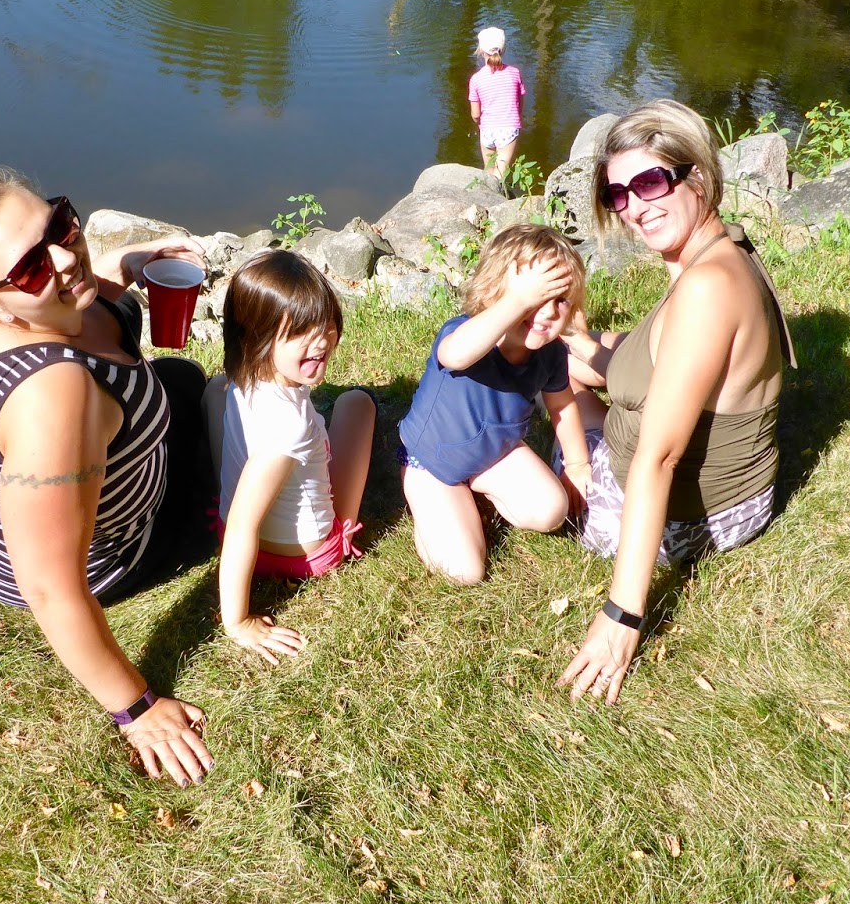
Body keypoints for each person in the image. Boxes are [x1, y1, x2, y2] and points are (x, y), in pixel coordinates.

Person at [0, 168, 216, 787]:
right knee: (227, 448)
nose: (65, 258)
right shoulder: (53, 395)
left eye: (60, 226)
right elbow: (49, 587)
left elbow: (74, 282)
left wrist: (127, 263)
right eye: (30, 268)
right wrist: (137, 710)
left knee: (181, 382)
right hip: (84, 559)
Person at [553, 99, 796, 707]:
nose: (634, 207)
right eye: (618, 194)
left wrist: (622, 615)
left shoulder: (707, 287)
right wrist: (587, 346)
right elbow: (665, 357)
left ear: (699, 176)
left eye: (650, 182)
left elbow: (657, 458)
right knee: (566, 357)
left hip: (688, 517)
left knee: (541, 379)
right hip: (732, 491)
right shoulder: (720, 251)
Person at [205, 251, 376, 665]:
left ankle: (226, 482)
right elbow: (244, 525)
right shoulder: (289, 426)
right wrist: (238, 621)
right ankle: (339, 534)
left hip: (226, 526)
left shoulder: (241, 376)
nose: (322, 341)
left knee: (213, 390)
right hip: (304, 555)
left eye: (327, 323)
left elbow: (238, 522)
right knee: (356, 404)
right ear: (259, 338)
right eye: (301, 331)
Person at [398, 224, 594, 586]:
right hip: (432, 464)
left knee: (552, 510)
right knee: (465, 572)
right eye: (533, 298)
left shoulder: (550, 353)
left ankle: (478, 492)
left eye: (560, 300)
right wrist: (517, 301)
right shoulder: (465, 333)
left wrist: (578, 463)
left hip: (494, 454)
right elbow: (455, 356)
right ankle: (429, 513)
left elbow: (562, 406)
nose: (547, 312)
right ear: (492, 293)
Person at [468, 26, 525, 182]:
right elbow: (519, 103)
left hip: (487, 128)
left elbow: (475, 114)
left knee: (488, 170)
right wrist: (518, 117)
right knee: (501, 172)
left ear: (481, 51)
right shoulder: (514, 73)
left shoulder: (476, 79)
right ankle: (499, 195)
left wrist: (479, 123)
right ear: (503, 49)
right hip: (509, 128)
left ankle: (486, 193)